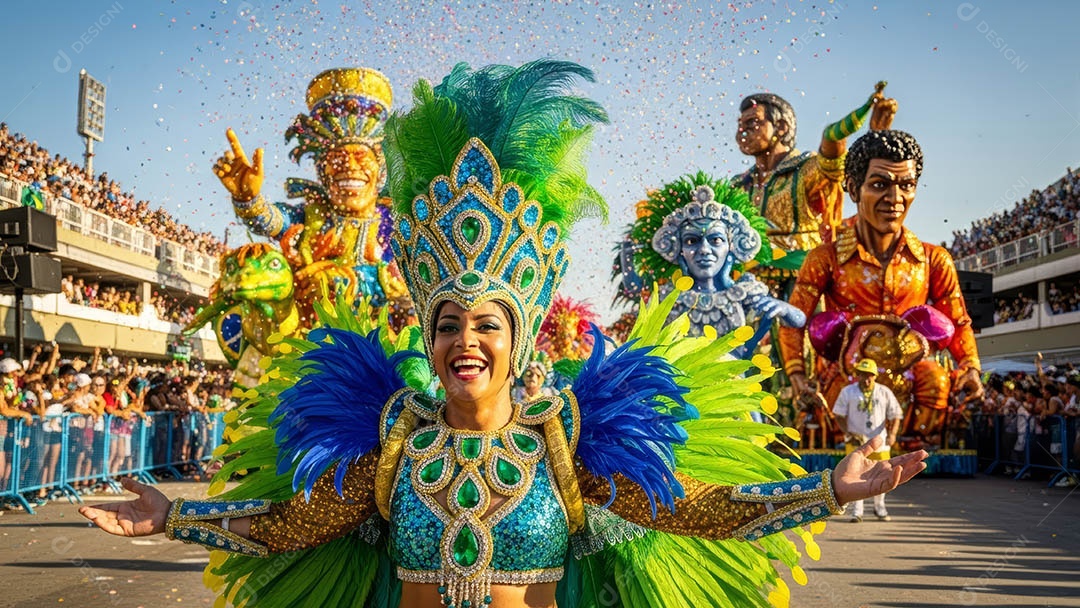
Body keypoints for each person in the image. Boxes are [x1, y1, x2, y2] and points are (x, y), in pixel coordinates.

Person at [82, 60, 928, 608]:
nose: (464, 341)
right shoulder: (395, 441)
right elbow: (291, 527)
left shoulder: (564, 442)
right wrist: (175, 518)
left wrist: (827, 495)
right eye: (447, 323)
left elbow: (695, 514)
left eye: (488, 323)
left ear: (519, 339)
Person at [779, 129, 984, 443]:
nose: (895, 199)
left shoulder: (933, 259)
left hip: (915, 385)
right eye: (880, 185)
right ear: (852, 188)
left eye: (907, 185)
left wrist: (969, 366)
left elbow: (957, 320)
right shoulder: (826, 259)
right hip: (846, 378)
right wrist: (796, 374)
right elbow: (793, 320)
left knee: (937, 381)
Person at [624, 173, 804, 347]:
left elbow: (799, 320)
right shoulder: (669, 298)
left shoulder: (744, 292)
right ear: (679, 251)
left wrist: (785, 309)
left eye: (715, 240)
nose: (703, 250)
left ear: (732, 247)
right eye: (691, 241)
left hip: (736, 377)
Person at [733, 84, 897, 255]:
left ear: (781, 127)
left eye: (752, 122)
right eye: (740, 124)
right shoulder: (739, 184)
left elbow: (835, 156)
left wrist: (876, 136)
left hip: (803, 274)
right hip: (747, 275)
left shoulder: (806, 169)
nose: (742, 131)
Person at [833, 359, 903, 522]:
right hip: (857, 442)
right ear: (857, 375)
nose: (866, 379)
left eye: (870, 375)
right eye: (863, 375)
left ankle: (880, 508)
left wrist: (892, 434)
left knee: (883, 474)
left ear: (875, 376)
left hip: (880, 443)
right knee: (855, 475)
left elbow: (896, 414)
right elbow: (838, 414)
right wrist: (848, 432)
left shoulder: (884, 392)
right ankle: (857, 512)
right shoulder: (848, 392)